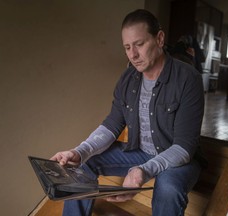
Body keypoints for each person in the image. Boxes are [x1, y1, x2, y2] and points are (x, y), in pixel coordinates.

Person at [51, 9, 205, 216]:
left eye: (139, 44)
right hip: (139, 154)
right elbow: (112, 124)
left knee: (168, 189)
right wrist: (80, 151)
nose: (133, 55)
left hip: (176, 160)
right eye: (127, 47)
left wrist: (144, 170)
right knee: (79, 165)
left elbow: (184, 147)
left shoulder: (188, 78)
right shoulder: (128, 78)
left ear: (159, 39)